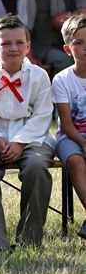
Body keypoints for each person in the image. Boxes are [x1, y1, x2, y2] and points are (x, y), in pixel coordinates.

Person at [0, 14, 54, 252]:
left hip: (33, 137)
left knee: (36, 166)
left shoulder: (39, 76)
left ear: (28, 46)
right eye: (6, 43)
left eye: (18, 43)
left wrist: (19, 143)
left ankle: (29, 240)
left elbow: (43, 115)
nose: (13, 48)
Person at [18, 0, 86, 76]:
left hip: (66, 44)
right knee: (65, 61)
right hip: (41, 48)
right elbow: (23, 30)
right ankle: (60, 94)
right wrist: (29, 59)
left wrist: (70, 16)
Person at [52, 14, 86, 240]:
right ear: (67, 49)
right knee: (74, 160)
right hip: (71, 136)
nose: (85, 47)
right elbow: (65, 123)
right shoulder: (62, 80)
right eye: (79, 42)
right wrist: (83, 144)